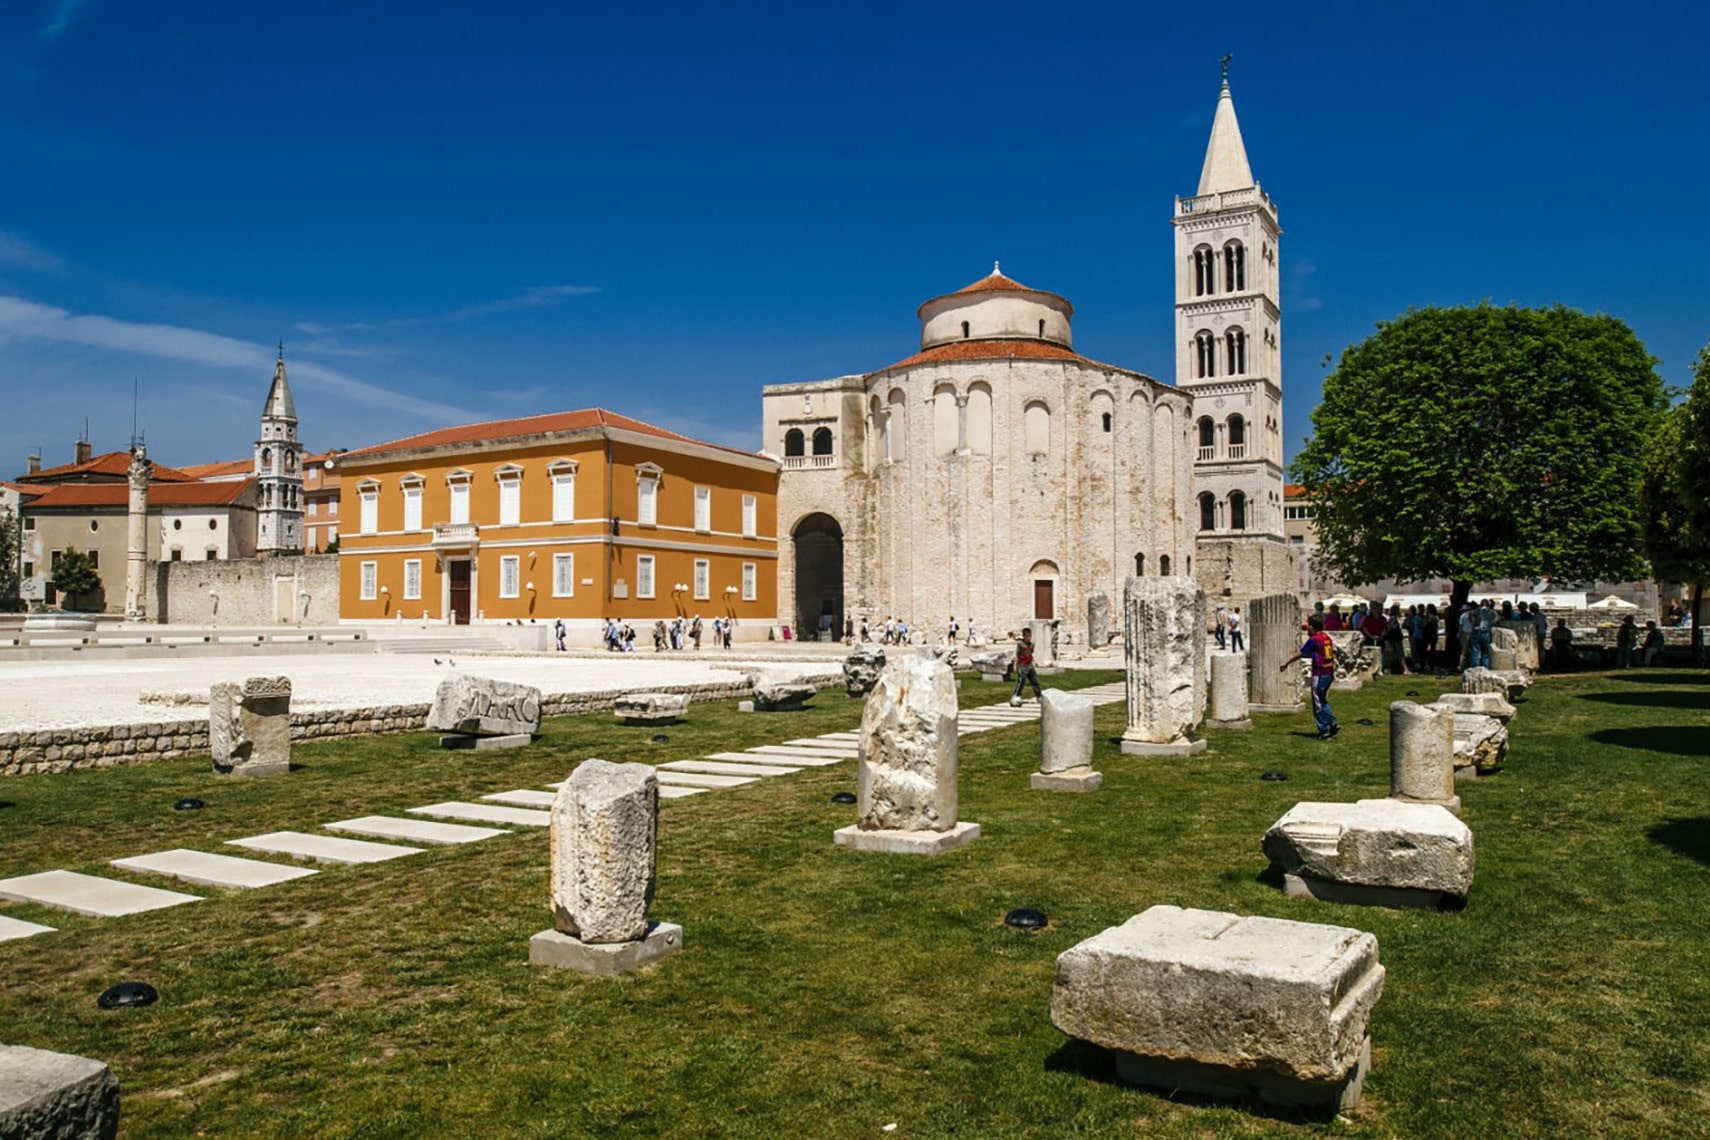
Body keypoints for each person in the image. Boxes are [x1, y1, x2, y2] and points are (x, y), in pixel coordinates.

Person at [1280, 613, 1339, 740]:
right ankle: (1332, 722)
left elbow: (1301, 652)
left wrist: (1287, 662)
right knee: (1322, 700)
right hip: (1329, 672)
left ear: (1312, 627)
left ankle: (1323, 729)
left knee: (1317, 702)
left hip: (1320, 673)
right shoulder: (1326, 637)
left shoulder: (1315, 640)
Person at [1011, 628, 1044, 705]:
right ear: (1024, 636)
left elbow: (1030, 654)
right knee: (1021, 681)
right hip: (1021, 665)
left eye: (1030, 636)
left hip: (1029, 665)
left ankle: (1039, 696)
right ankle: (1016, 695)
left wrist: (1034, 662)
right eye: (1027, 636)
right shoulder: (1020, 644)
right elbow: (1017, 655)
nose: (1029, 638)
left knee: (1034, 681)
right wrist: (1015, 665)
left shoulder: (1032, 645)